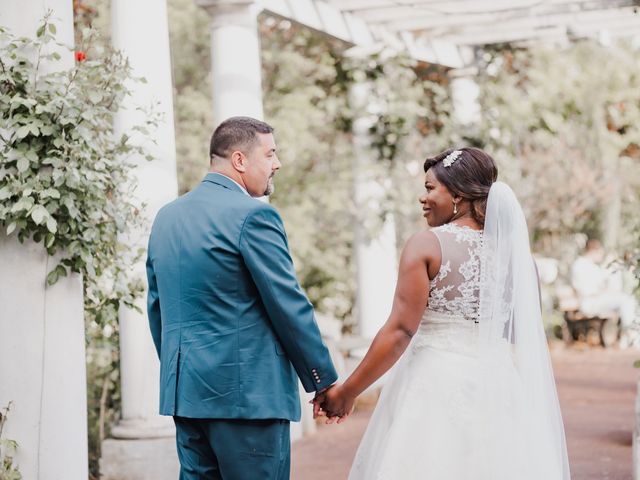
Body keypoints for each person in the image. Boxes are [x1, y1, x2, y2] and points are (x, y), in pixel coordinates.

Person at [315, 147, 571, 479]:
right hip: (500, 389)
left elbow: (400, 331)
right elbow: (520, 333)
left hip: (433, 388)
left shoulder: (427, 245)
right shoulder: (519, 259)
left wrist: (347, 392)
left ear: (459, 194)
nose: (423, 198)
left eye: (430, 188)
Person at [146, 116, 338, 480]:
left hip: (186, 396)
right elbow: (287, 304)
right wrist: (323, 380)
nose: (276, 164)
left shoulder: (166, 218)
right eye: (270, 154)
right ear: (239, 160)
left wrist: (184, 374)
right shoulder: (255, 215)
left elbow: (158, 309)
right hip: (248, 401)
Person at [571, 238, 637, 329]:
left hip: (597, 300)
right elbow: (585, 290)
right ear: (593, 251)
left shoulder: (592, 266)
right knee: (626, 300)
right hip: (589, 303)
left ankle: (627, 335)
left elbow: (603, 283)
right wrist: (603, 291)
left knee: (628, 301)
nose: (601, 256)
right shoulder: (580, 265)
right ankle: (631, 332)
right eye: (600, 253)